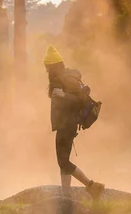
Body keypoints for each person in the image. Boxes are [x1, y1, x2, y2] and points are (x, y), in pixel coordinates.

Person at [44, 44, 105, 200]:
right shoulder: (63, 79)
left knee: (63, 161)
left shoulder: (66, 80)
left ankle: (92, 186)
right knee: (63, 161)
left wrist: (64, 96)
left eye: (48, 68)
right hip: (65, 125)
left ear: (54, 67)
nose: (46, 71)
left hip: (67, 125)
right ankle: (67, 195)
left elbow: (79, 100)